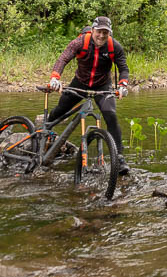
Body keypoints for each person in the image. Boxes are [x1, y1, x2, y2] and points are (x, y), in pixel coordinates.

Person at [47, 16, 131, 176]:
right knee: (60, 109)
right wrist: (55, 77)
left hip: (103, 86)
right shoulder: (80, 42)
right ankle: (44, 133)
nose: (101, 36)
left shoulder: (114, 46)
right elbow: (63, 58)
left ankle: (119, 159)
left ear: (109, 33)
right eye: (99, 31)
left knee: (111, 115)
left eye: (105, 33)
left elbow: (123, 67)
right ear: (93, 30)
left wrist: (123, 84)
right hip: (80, 83)